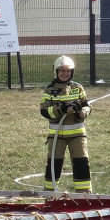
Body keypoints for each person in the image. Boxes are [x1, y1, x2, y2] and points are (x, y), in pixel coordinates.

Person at [40, 55, 92, 193]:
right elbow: (45, 112)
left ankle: (84, 194)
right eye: (62, 70)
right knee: (54, 164)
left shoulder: (78, 88)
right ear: (56, 71)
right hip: (57, 136)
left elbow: (87, 105)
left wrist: (83, 112)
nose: (65, 73)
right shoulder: (49, 91)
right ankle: (49, 193)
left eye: (68, 71)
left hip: (78, 135)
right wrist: (63, 109)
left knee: (81, 163)